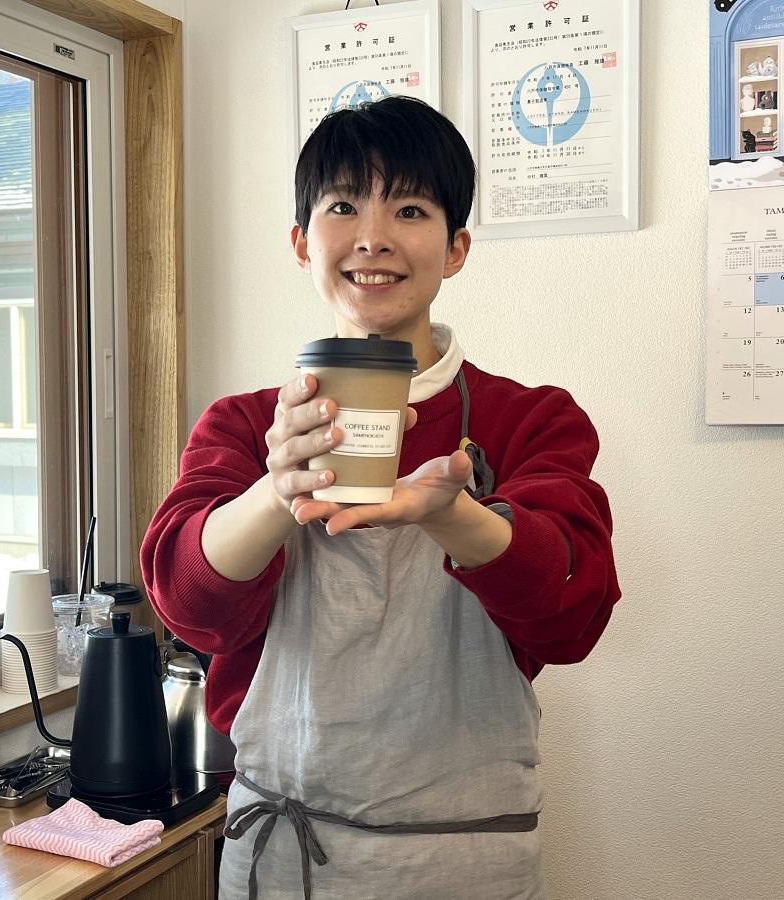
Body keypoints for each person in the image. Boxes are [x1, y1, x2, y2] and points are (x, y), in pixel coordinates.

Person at [141, 96, 620, 900]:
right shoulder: (247, 426)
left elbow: (573, 613)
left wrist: (452, 514)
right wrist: (276, 489)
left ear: (456, 247)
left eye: (410, 209)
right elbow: (188, 607)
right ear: (302, 242)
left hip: (464, 861)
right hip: (283, 857)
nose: (372, 237)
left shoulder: (530, 420)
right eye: (342, 206)